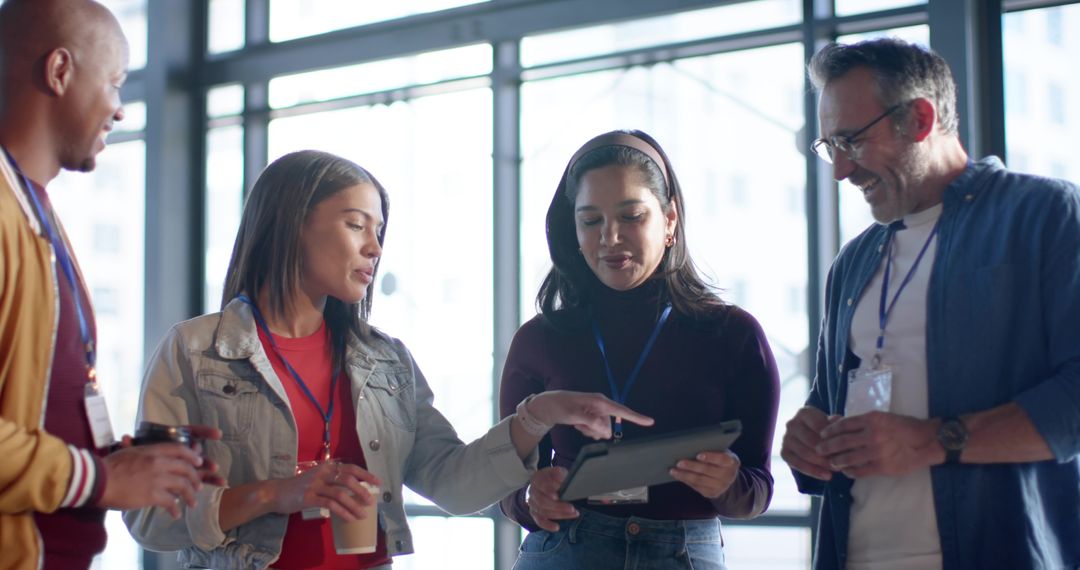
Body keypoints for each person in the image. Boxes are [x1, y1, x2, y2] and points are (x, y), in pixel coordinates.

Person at [122, 149, 652, 569]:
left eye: (378, 232)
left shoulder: (386, 362)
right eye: (356, 225)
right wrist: (276, 494)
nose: (375, 248)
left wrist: (538, 415)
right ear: (293, 223)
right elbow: (149, 517)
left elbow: (453, 484)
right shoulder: (196, 351)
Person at [780, 38, 1080, 570]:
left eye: (851, 140)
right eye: (829, 146)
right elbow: (829, 404)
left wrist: (933, 440)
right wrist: (809, 439)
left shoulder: (1046, 214)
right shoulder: (852, 261)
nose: (840, 171)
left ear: (920, 118)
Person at [0, 1, 221, 568]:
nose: (120, 109)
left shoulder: (34, 212)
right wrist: (98, 478)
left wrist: (123, 459)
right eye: (115, 83)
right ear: (59, 71)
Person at [499, 129, 781, 569]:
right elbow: (506, 483)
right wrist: (531, 498)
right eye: (591, 221)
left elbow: (757, 490)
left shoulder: (733, 335)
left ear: (669, 220)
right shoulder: (540, 338)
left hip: (684, 553)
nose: (610, 237)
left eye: (631, 216)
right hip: (568, 547)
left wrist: (728, 483)